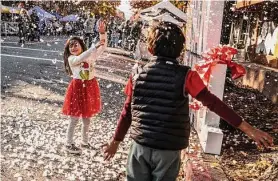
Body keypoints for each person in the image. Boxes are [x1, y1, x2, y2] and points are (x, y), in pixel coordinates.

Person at [103, 22, 274, 180]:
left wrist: (115, 142)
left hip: (140, 147)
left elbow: (127, 112)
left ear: (150, 48)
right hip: (169, 150)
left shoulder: (137, 74)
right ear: (180, 50)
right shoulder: (187, 76)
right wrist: (249, 129)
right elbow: (214, 103)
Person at [62, 20, 107, 154]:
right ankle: (68, 144)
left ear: (82, 45)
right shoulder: (72, 59)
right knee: (74, 118)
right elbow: (79, 58)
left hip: (89, 87)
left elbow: (103, 47)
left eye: (76, 45)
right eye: (71, 46)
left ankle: (85, 142)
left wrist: (102, 33)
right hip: (77, 89)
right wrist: (93, 48)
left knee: (87, 119)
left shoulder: (90, 56)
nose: (73, 47)